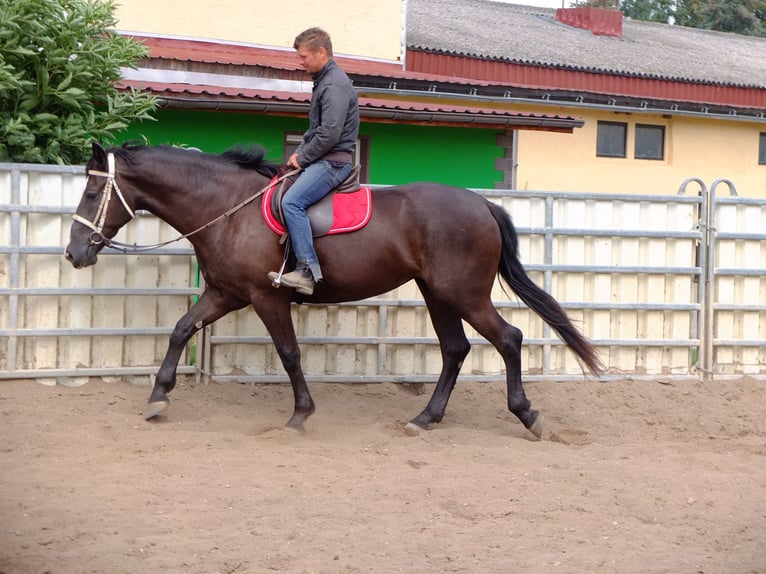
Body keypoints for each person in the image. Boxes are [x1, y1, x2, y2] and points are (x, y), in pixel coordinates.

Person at [268, 27, 360, 296]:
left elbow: (329, 133)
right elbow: (317, 130)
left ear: (322, 52)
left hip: (332, 163)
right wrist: (300, 154)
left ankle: (307, 271)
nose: (301, 61)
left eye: (304, 56)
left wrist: (304, 155)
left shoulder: (334, 85)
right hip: (321, 158)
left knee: (292, 202)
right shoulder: (325, 82)